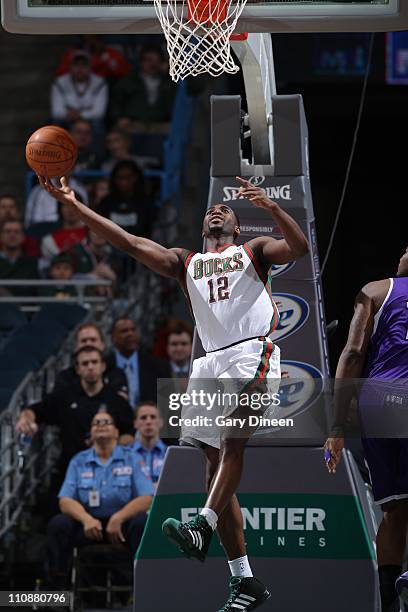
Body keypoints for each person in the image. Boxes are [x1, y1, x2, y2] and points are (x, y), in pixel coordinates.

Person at [37, 173, 309, 611]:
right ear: (203, 228)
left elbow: (298, 248)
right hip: (209, 362)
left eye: (225, 210)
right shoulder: (186, 262)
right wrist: (75, 205)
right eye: (210, 211)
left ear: (237, 227)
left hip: (251, 353)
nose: (216, 211)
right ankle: (244, 580)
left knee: (232, 443)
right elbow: (126, 241)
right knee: (212, 466)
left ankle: (202, 522)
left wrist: (272, 208)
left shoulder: (253, 251)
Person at [324, 246, 408, 612]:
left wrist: (337, 425)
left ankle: (388, 599)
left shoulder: (374, 290)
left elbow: (352, 353)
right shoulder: (377, 290)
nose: (403, 252)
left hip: (378, 403)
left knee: (394, 510)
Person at [46, 410, 154, 589]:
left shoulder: (132, 458)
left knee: (143, 522)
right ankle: (58, 591)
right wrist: (86, 519)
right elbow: (64, 501)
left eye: (107, 422)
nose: (101, 425)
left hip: (123, 526)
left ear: (117, 432)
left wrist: (119, 518)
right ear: (91, 432)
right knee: (58, 524)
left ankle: (145, 587)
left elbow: (146, 498)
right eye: (97, 423)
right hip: (89, 526)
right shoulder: (78, 461)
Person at [15, 346, 134, 477]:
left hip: (108, 471)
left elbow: (130, 433)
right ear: (77, 369)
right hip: (70, 470)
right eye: (85, 363)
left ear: (103, 366)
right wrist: (26, 418)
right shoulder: (65, 397)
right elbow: (35, 410)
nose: (90, 367)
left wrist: (108, 442)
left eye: (94, 362)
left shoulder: (116, 401)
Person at [110, 44, 176, 133]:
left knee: (176, 131)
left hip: (161, 124)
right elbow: (115, 104)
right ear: (141, 62)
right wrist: (119, 118)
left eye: (156, 61)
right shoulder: (128, 81)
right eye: (148, 60)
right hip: (135, 123)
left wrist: (169, 73)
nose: (153, 65)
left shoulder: (169, 82)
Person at [109, 317, 172, 407]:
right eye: (124, 331)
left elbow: (167, 403)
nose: (130, 334)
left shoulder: (158, 366)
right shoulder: (104, 367)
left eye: (133, 330)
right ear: (113, 337)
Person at [54, 322, 128, 398]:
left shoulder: (116, 375)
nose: (88, 344)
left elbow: (120, 404)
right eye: (84, 341)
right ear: (76, 347)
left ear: (102, 345)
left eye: (93, 340)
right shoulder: (65, 378)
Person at [50, 50, 108, 131]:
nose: (80, 69)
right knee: (56, 122)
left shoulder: (100, 83)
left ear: (90, 67)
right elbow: (56, 111)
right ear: (70, 66)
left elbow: (99, 112)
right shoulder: (60, 82)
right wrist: (70, 115)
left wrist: (80, 115)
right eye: (76, 65)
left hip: (89, 120)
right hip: (67, 118)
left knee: (98, 122)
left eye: (84, 65)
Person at [98, 160, 154, 237]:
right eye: (120, 178)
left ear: (136, 178)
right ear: (114, 179)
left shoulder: (145, 203)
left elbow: (147, 230)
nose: (123, 182)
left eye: (128, 177)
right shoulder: (106, 203)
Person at [0, 219, 39, 295]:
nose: (12, 235)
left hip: (27, 306)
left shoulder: (34, 264)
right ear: (1, 236)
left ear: (23, 237)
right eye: (8, 231)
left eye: (16, 232)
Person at [133, 401, 167, 487]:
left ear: (161, 422)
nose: (148, 422)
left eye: (153, 417)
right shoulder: (126, 456)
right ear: (135, 423)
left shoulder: (173, 455)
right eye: (143, 418)